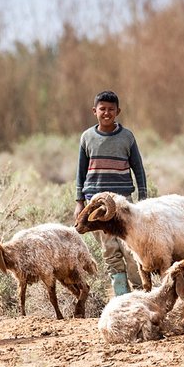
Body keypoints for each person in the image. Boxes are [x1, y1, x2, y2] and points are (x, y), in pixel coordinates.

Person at [74, 90, 147, 296]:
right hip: (95, 203)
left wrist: (143, 199)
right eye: (102, 109)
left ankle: (140, 294)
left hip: (122, 202)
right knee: (110, 251)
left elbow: (138, 169)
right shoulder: (87, 137)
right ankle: (121, 297)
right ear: (94, 111)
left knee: (130, 249)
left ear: (118, 111)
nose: (106, 113)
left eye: (111, 109)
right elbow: (80, 172)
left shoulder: (127, 137)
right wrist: (80, 202)